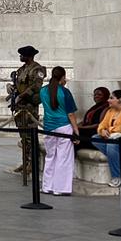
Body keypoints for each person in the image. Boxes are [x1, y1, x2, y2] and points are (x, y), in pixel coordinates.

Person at [8, 45, 46, 180]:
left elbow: (36, 86)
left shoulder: (37, 69)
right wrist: (12, 89)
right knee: (23, 137)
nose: (20, 57)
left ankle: (32, 163)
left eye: (22, 55)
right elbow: (18, 84)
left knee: (31, 136)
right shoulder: (21, 69)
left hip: (29, 106)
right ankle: (25, 162)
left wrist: (22, 95)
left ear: (29, 56)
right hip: (20, 107)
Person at [39, 66, 78, 195]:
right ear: (63, 76)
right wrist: (76, 131)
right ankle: (60, 188)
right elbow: (71, 114)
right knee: (63, 158)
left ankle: (47, 186)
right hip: (64, 126)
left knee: (50, 157)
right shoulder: (64, 92)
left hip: (49, 126)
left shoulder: (43, 91)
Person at [73, 86, 110, 151]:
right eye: (95, 94)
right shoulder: (95, 107)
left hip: (96, 132)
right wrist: (76, 126)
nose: (96, 96)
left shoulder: (106, 108)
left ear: (106, 96)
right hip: (88, 130)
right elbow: (84, 121)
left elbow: (99, 124)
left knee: (76, 135)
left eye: (99, 94)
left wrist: (81, 128)